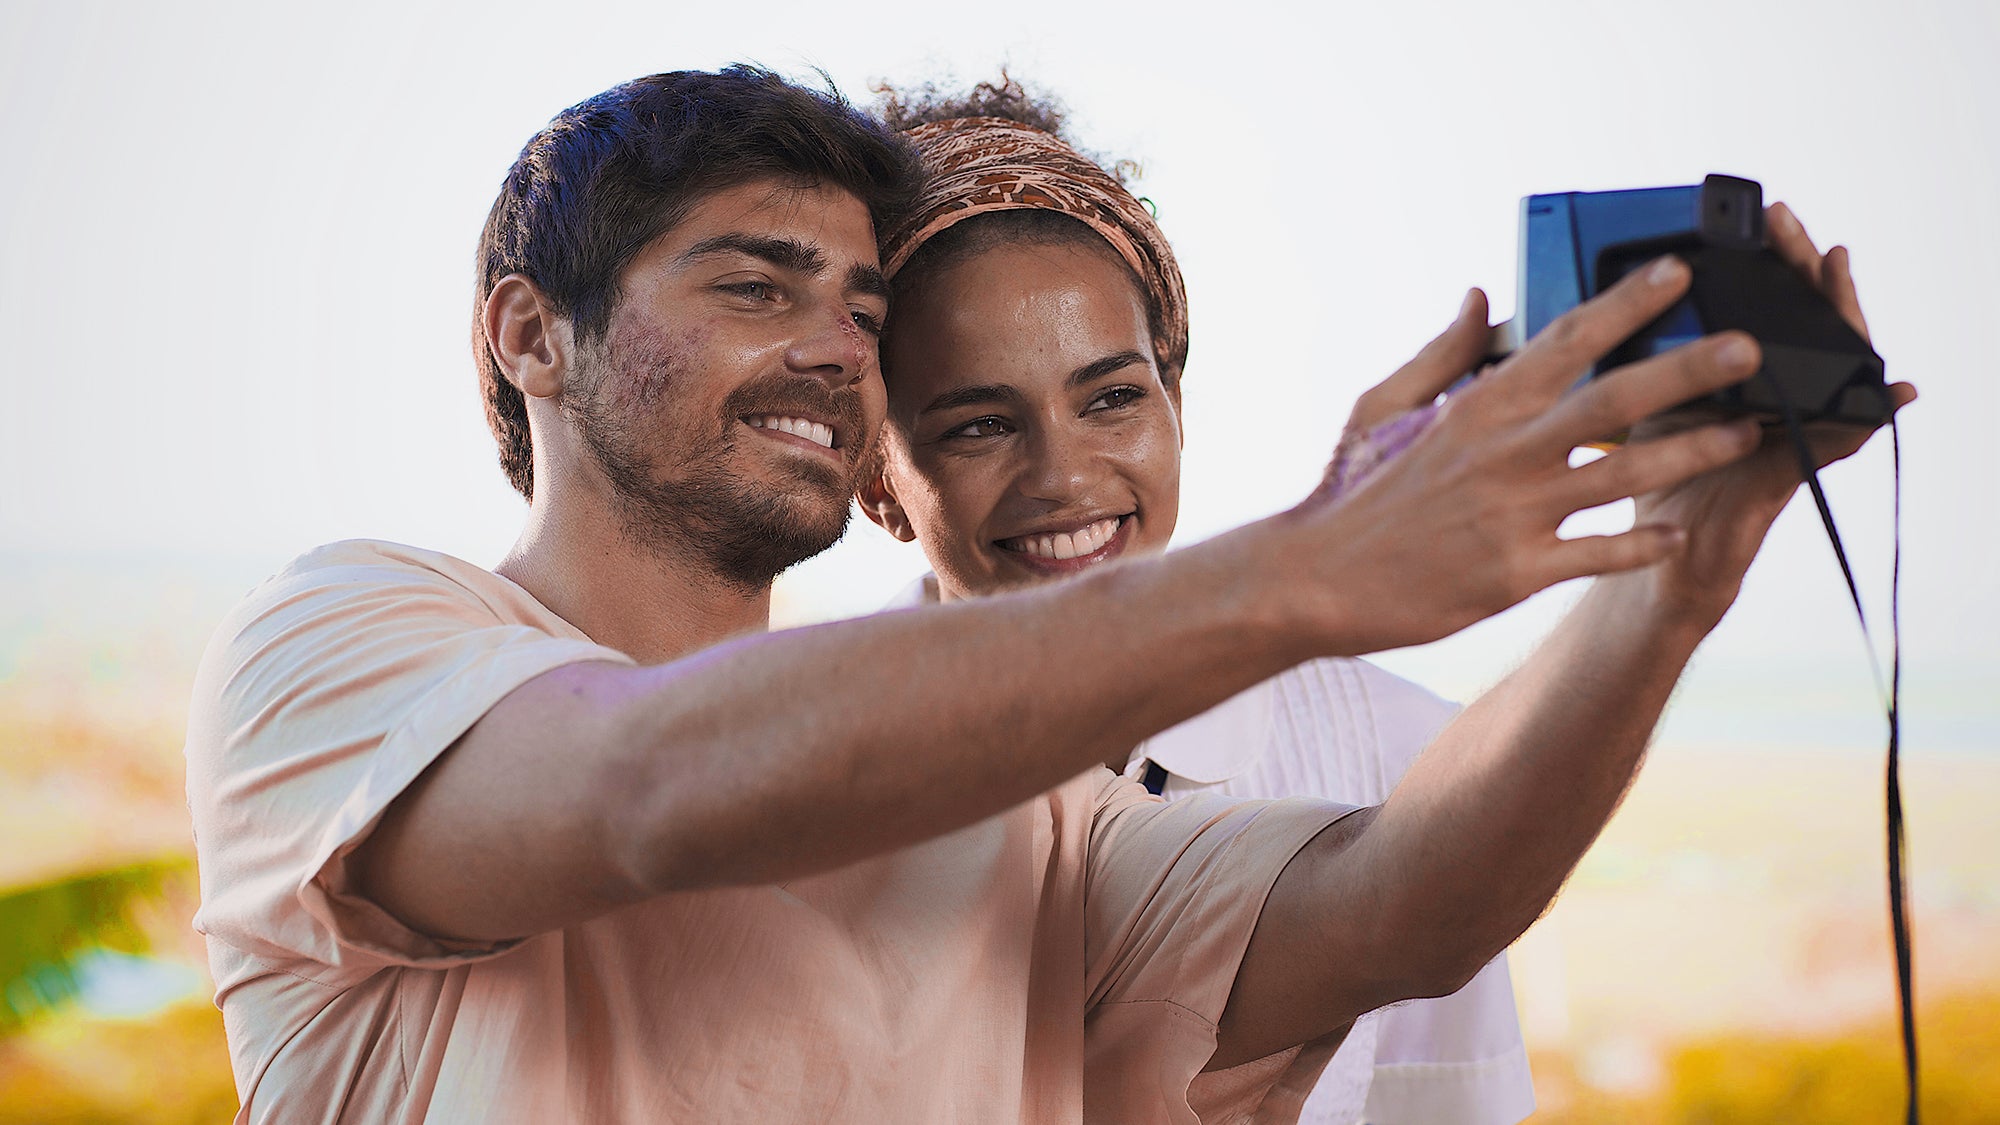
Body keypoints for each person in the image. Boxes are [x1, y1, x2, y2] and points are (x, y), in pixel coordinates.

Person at [182, 65, 1909, 1124]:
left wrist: (1675, 579)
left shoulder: (1045, 829)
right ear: (525, 335)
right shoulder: (347, 645)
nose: (828, 346)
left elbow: (1408, 905)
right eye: (755, 282)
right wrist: (1319, 563)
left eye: (861, 306)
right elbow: (648, 785)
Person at [857, 83, 1531, 1124]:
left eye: (1112, 398)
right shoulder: (801, 787)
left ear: (1174, 399)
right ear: (876, 480)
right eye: (977, 426)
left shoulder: (1395, 758)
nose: (1064, 478)